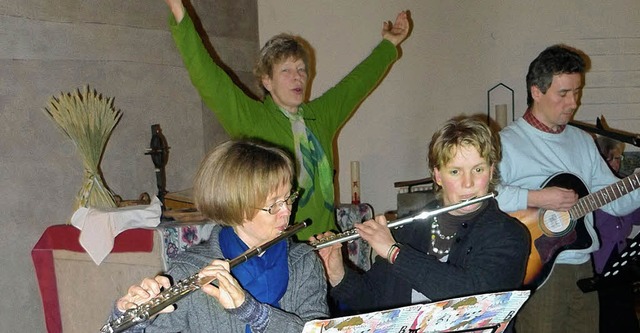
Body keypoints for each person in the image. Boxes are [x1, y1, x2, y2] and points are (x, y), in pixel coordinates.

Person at [162, 0, 411, 240]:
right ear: (267, 81)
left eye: (302, 69)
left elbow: (356, 83)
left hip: (328, 241)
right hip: (283, 247)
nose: (298, 77)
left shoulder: (320, 115)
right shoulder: (253, 120)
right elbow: (209, 78)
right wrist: (179, 12)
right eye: (287, 71)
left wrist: (389, 44)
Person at [312, 116, 530, 331]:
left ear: (491, 170)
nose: (468, 183)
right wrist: (338, 275)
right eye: (455, 171)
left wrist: (395, 253)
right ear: (437, 176)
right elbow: (375, 301)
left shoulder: (509, 234)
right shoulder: (410, 228)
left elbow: (473, 300)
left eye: (478, 169)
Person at [106, 140, 329, 332]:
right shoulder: (190, 271)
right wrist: (127, 319)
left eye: (288, 198)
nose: (287, 211)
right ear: (237, 209)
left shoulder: (303, 261)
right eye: (274, 205)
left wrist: (253, 313)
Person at [495, 44, 640, 333]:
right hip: (538, 273)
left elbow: (615, 201)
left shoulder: (582, 141)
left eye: (577, 92)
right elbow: (486, 197)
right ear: (537, 91)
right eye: (564, 93)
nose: (573, 103)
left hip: (583, 267)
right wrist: (537, 196)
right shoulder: (506, 143)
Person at [593, 136, 640, 333]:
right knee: (606, 318)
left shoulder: (624, 186)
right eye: (612, 158)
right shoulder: (593, 190)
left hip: (621, 260)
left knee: (626, 318)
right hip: (599, 263)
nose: (617, 163)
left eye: (619, 158)